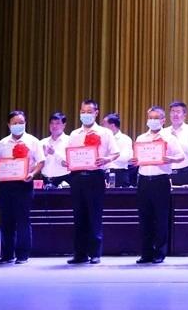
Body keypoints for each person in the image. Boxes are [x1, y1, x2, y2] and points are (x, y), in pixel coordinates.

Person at [64, 99, 120, 264]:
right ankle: (80, 254)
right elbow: (69, 154)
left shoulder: (105, 133)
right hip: (76, 177)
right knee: (78, 215)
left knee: (94, 215)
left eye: (89, 112)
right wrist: (67, 162)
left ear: (96, 113)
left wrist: (106, 159)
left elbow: (115, 153)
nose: (85, 115)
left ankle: (95, 253)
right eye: (83, 112)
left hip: (95, 176)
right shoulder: (74, 134)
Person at [131, 106, 184, 264]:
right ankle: (146, 253)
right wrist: (134, 160)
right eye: (150, 118)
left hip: (160, 180)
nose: (152, 121)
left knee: (161, 218)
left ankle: (160, 253)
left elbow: (181, 156)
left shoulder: (169, 138)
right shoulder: (141, 138)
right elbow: (136, 158)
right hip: (143, 180)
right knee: (145, 218)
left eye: (156, 118)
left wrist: (170, 159)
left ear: (163, 120)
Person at [0, 110, 44, 264]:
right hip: (5, 186)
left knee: (23, 221)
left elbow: (41, 162)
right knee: (6, 221)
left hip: (24, 184)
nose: (18, 125)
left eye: (21, 122)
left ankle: (22, 255)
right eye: (15, 123)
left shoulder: (33, 141)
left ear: (25, 123)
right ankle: (7, 254)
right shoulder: (2, 143)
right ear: (9, 125)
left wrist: (32, 174)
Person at [164, 101, 188, 186]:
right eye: (173, 111)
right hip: (168, 172)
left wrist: (175, 139)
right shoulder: (164, 132)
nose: (175, 114)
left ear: (184, 115)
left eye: (178, 112)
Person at [102, 112, 134, 188]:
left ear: (112, 126)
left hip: (119, 174)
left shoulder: (125, 139)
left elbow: (125, 158)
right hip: (103, 173)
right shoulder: (102, 138)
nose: (102, 127)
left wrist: (107, 159)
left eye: (104, 124)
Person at [40, 112, 71, 187]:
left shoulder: (70, 141)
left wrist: (54, 153)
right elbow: (37, 164)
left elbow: (69, 163)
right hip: (45, 180)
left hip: (64, 180)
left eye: (57, 123)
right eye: (52, 123)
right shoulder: (42, 142)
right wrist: (43, 156)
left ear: (64, 125)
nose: (54, 126)